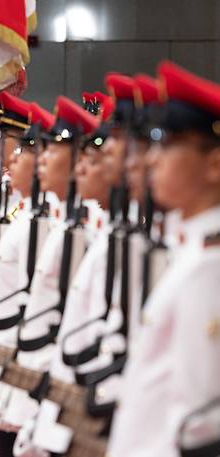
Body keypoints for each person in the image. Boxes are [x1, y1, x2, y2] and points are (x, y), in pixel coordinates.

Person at [108, 61, 220, 457]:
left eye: (169, 145)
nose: (152, 160)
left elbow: (199, 420)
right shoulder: (190, 249)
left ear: (214, 165)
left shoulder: (209, 265)